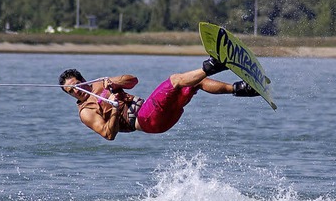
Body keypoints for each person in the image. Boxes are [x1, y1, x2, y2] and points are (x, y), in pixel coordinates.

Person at [59, 57, 259, 140]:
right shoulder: (86, 111)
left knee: (192, 82)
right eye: (71, 91)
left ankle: (241, 89)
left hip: (157, 114)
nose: (76, 91)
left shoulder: (100, 83)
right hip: (146, 120)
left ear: (83, 79)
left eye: (77, 85)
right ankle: (213, 65)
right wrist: (115, 109)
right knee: (175, 80)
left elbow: (133, 81)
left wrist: (115, 83)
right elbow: (108, 135)